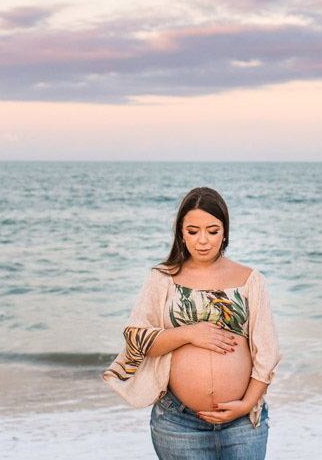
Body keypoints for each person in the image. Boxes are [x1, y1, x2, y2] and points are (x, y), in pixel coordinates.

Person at [103, 187, 282, 459]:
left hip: (242, 422)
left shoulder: (251, 280)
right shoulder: (162, 278)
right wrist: (190, 333)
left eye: (212, 230)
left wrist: (246, 404)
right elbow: (138, 340)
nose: (203, 241)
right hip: (179, 422)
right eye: (193, 230)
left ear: (225, 232)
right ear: (180, 233)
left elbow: (266, 352)